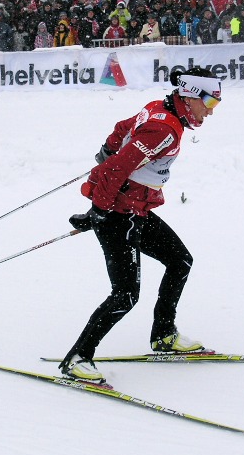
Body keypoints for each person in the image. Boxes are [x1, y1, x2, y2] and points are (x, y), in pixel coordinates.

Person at [59, 67, 221, 383]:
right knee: (125, 294)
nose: (210, 112)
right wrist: (101, 212)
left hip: (136, 210)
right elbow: (112, 171)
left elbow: (123, 128)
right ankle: (78, 359)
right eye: (210, 103)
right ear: (190, 96)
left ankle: (163, 335)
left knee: (180, 261)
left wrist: (110, 147)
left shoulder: (158, 109)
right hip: (119, 214)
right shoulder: (165, 130)